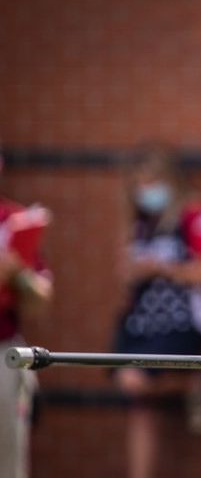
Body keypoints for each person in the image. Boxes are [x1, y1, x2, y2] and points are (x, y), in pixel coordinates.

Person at [113, 146, 201, 478]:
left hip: (183, 318)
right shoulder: (140, 222)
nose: (146, 191)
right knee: (142, 408)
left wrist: (162, 268)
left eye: (153, 182)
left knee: (134, 381)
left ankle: (192, 381)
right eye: (140, 184)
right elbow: (124, 272)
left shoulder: (196, 214)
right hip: (142, 321)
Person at [0, 157, 53, 478]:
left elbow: (40, 299)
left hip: (2, 350)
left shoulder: (13, 220)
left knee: (7, 462)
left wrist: (16, 275)